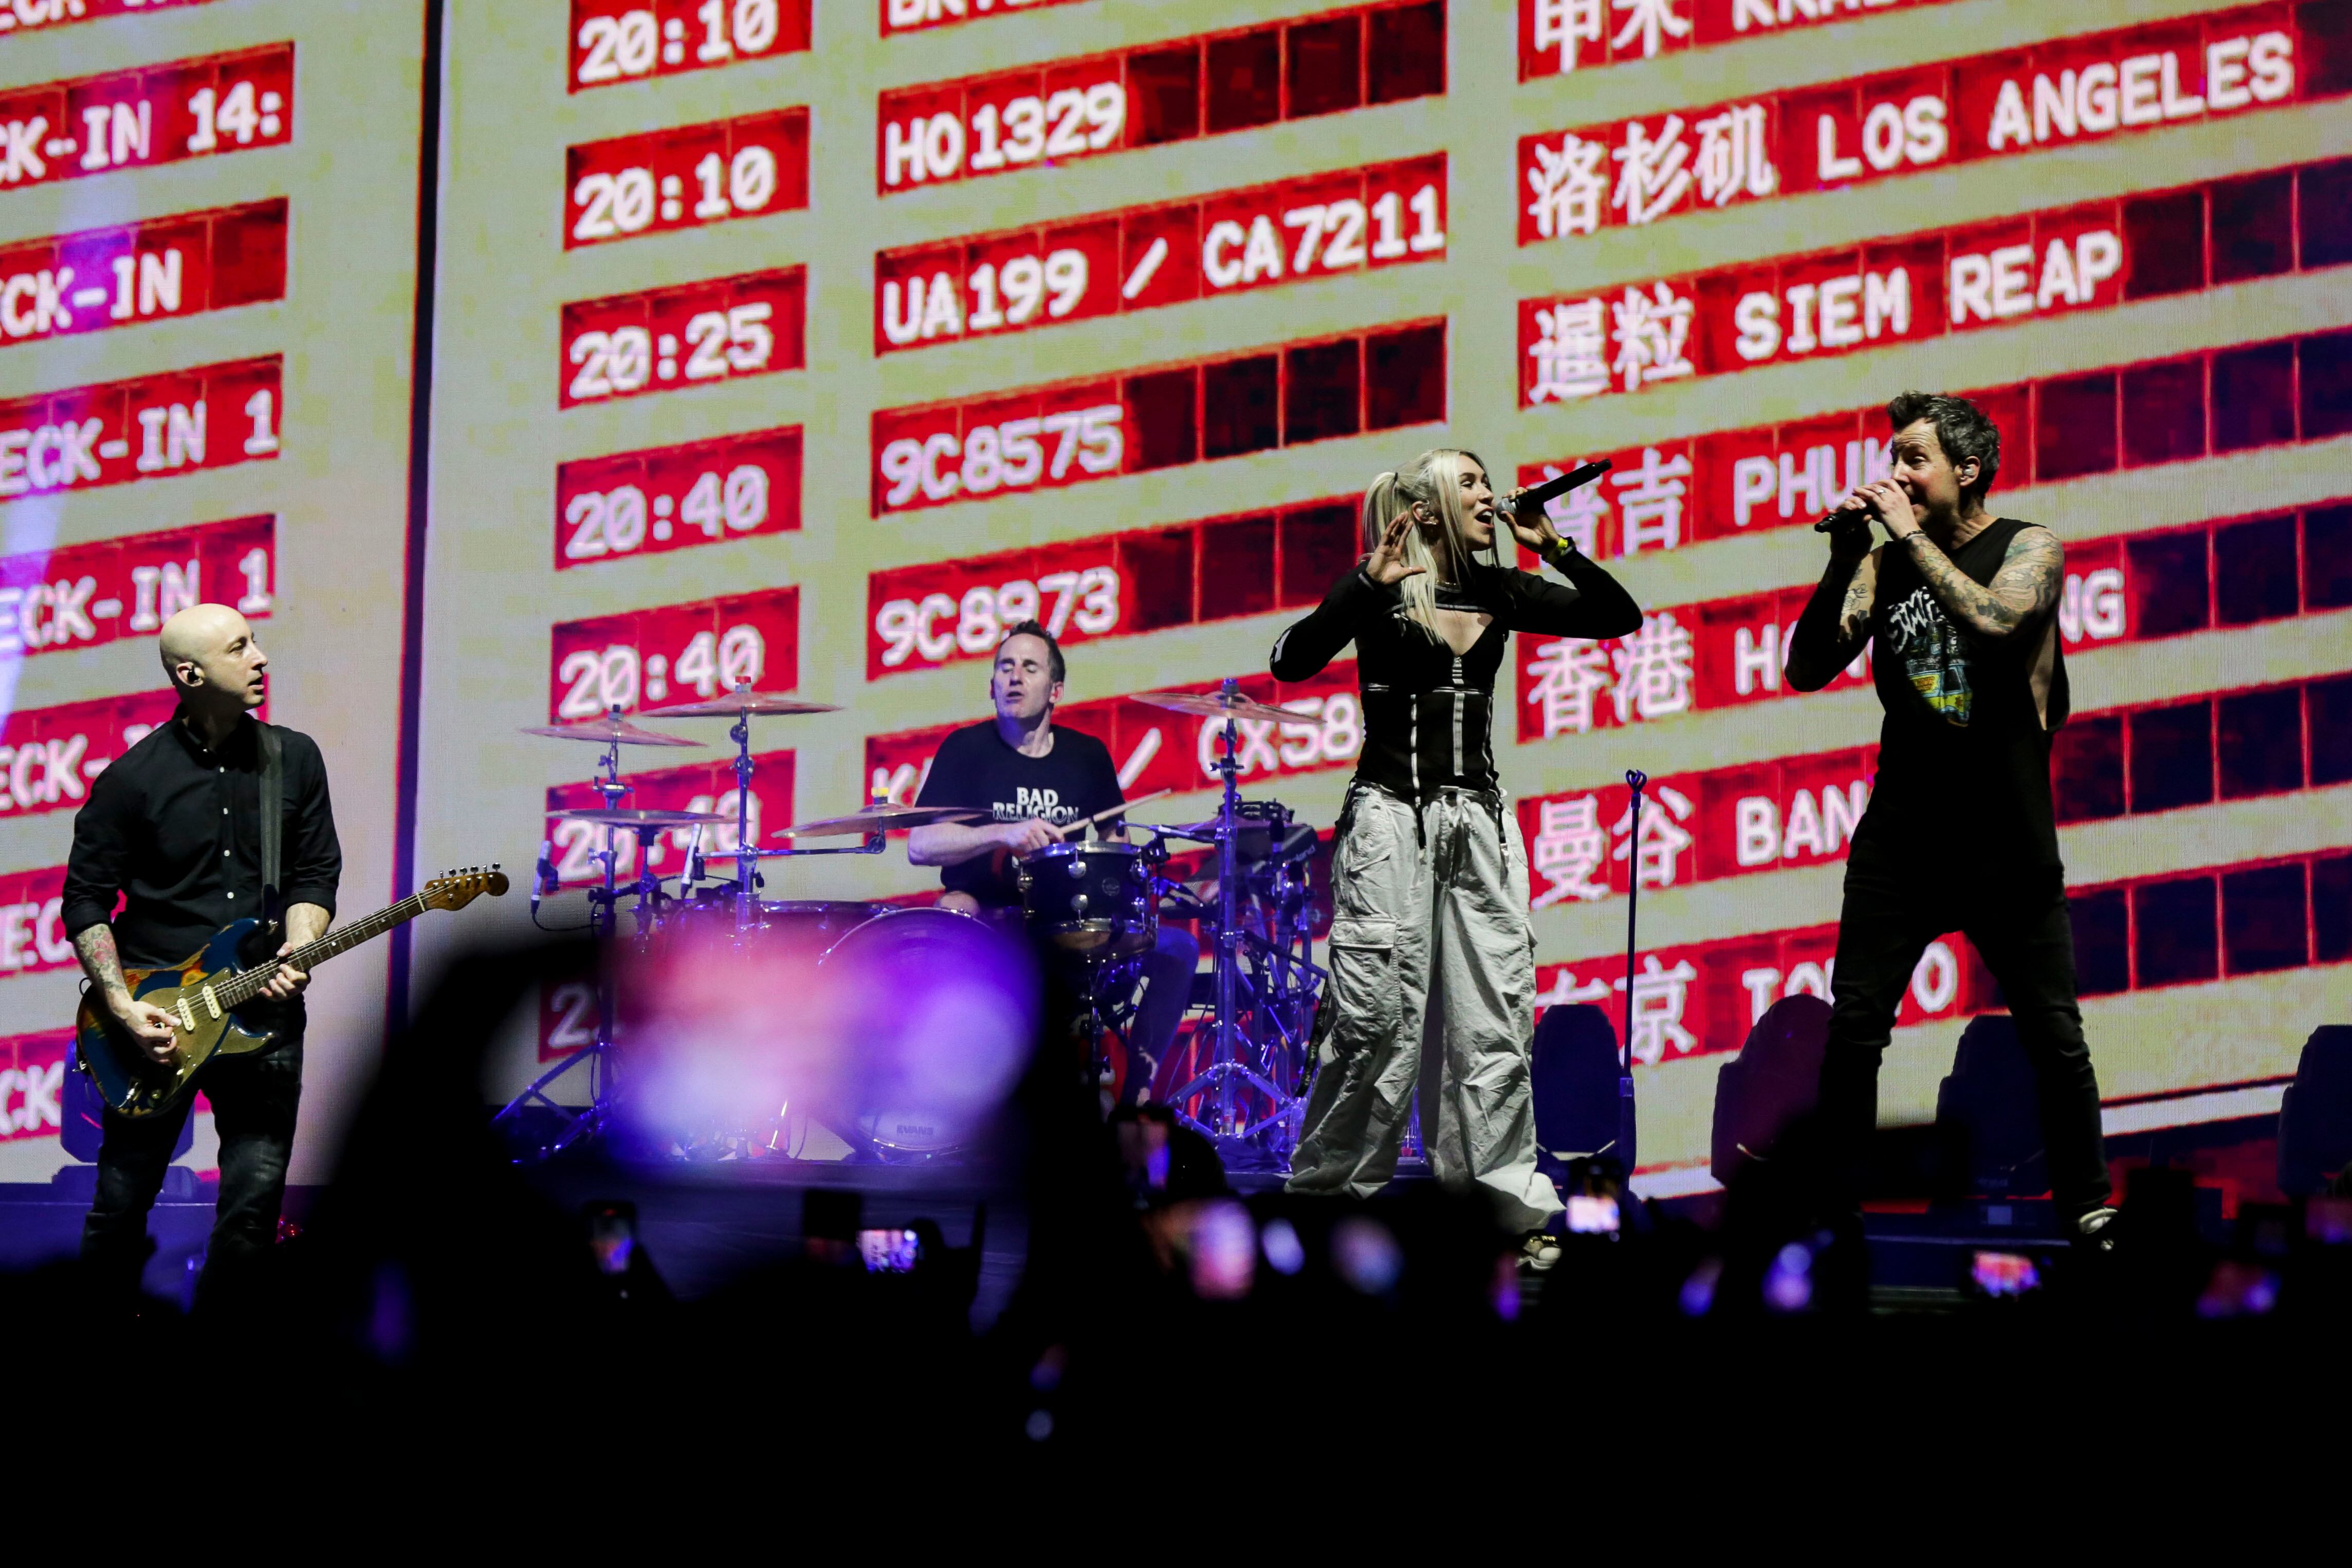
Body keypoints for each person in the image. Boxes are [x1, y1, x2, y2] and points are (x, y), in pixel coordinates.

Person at [1269, 448, 1643, 1267]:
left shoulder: (1501, 588)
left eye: (1485, 481)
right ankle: (1325, 1206)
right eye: (1469, 482)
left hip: (1478, 824)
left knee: (1493, 1024)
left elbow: (1619, 616)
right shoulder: (1382, 591)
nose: (1488, 494)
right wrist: (1362, 584)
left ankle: (1504, 1213)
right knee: (1373, 1021)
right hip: (1390, 821)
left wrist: (1553, 544)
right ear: (1429, 505)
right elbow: (1290, 659)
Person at [1785, 390, 2114, 1249]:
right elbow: (1806, 668)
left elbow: (1997, 622)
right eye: (1892, 457)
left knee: (2053, 1033)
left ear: (1967, 470)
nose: (1896, 473)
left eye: (1915, 458)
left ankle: (2088, 1204)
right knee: (1855, 1027)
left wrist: (1907, 538)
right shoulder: (1883, 564)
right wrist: (1844, 560)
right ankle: (1837, 1211)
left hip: (2007, 839)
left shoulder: (2030, 547)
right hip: (1903, 839)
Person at [62, 603, 342, 1306]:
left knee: (251, 1213)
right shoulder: (131, 779)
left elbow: (314, 874)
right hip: (156, 1021)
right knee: (121, 1204)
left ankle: (220, 1353)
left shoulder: (293, 758)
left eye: (255, 642)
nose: (261, 657)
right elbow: (86, 900)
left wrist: (301, 947)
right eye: (239, 647)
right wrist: (122, 1007)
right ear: (190, 674)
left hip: (265, 1015)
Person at [908, 621, 1198, 1102]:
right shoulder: (964, 750)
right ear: (991, 685)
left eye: (1029, 667)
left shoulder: (1087, 756)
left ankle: (1139, 1094)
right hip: (989, 915)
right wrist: (1002, 832)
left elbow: (1116, 840)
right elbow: (920, 845)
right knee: (953, 907)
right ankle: (954, 1089)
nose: (1014, 677)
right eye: (1005, 667)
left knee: (1179, 949)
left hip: (1068, 923)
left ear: (1055, 690)